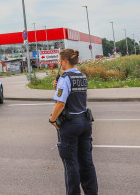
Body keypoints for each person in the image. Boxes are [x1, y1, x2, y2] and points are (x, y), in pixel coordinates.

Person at [49, 49, 98, 195]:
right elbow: (75, 94)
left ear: (64, 61)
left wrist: (52, 119)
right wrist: (58, 86)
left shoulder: (65, 78)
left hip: (70, 125)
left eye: (60, 60)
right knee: (86, 162)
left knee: (71, 164)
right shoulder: (82, 76)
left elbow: (60, 103)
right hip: (85, 122)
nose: (59, 63)